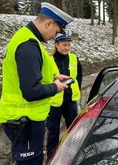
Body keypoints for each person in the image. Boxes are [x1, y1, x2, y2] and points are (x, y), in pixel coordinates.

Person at [0, 2, 74, 165]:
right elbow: (31, 91)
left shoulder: (28, 40)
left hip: (26, 118)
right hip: (24, 120)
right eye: (56, 31)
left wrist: (53, 78)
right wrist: (56, 87)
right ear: (48, 23)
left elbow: (27, 74)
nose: (55, 37)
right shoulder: (28, 45)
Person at [46, 32, 82, 160]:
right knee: (53, 132)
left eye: (69, 45)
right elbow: (43, 79)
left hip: (70, 100)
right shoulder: (48, 60)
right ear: (56, 45)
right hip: (54, 102)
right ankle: (51, 157)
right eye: (64, 45)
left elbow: (79, 77)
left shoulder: (74, 58)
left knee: (73, 128)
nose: (67, 47)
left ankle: (72, 154)